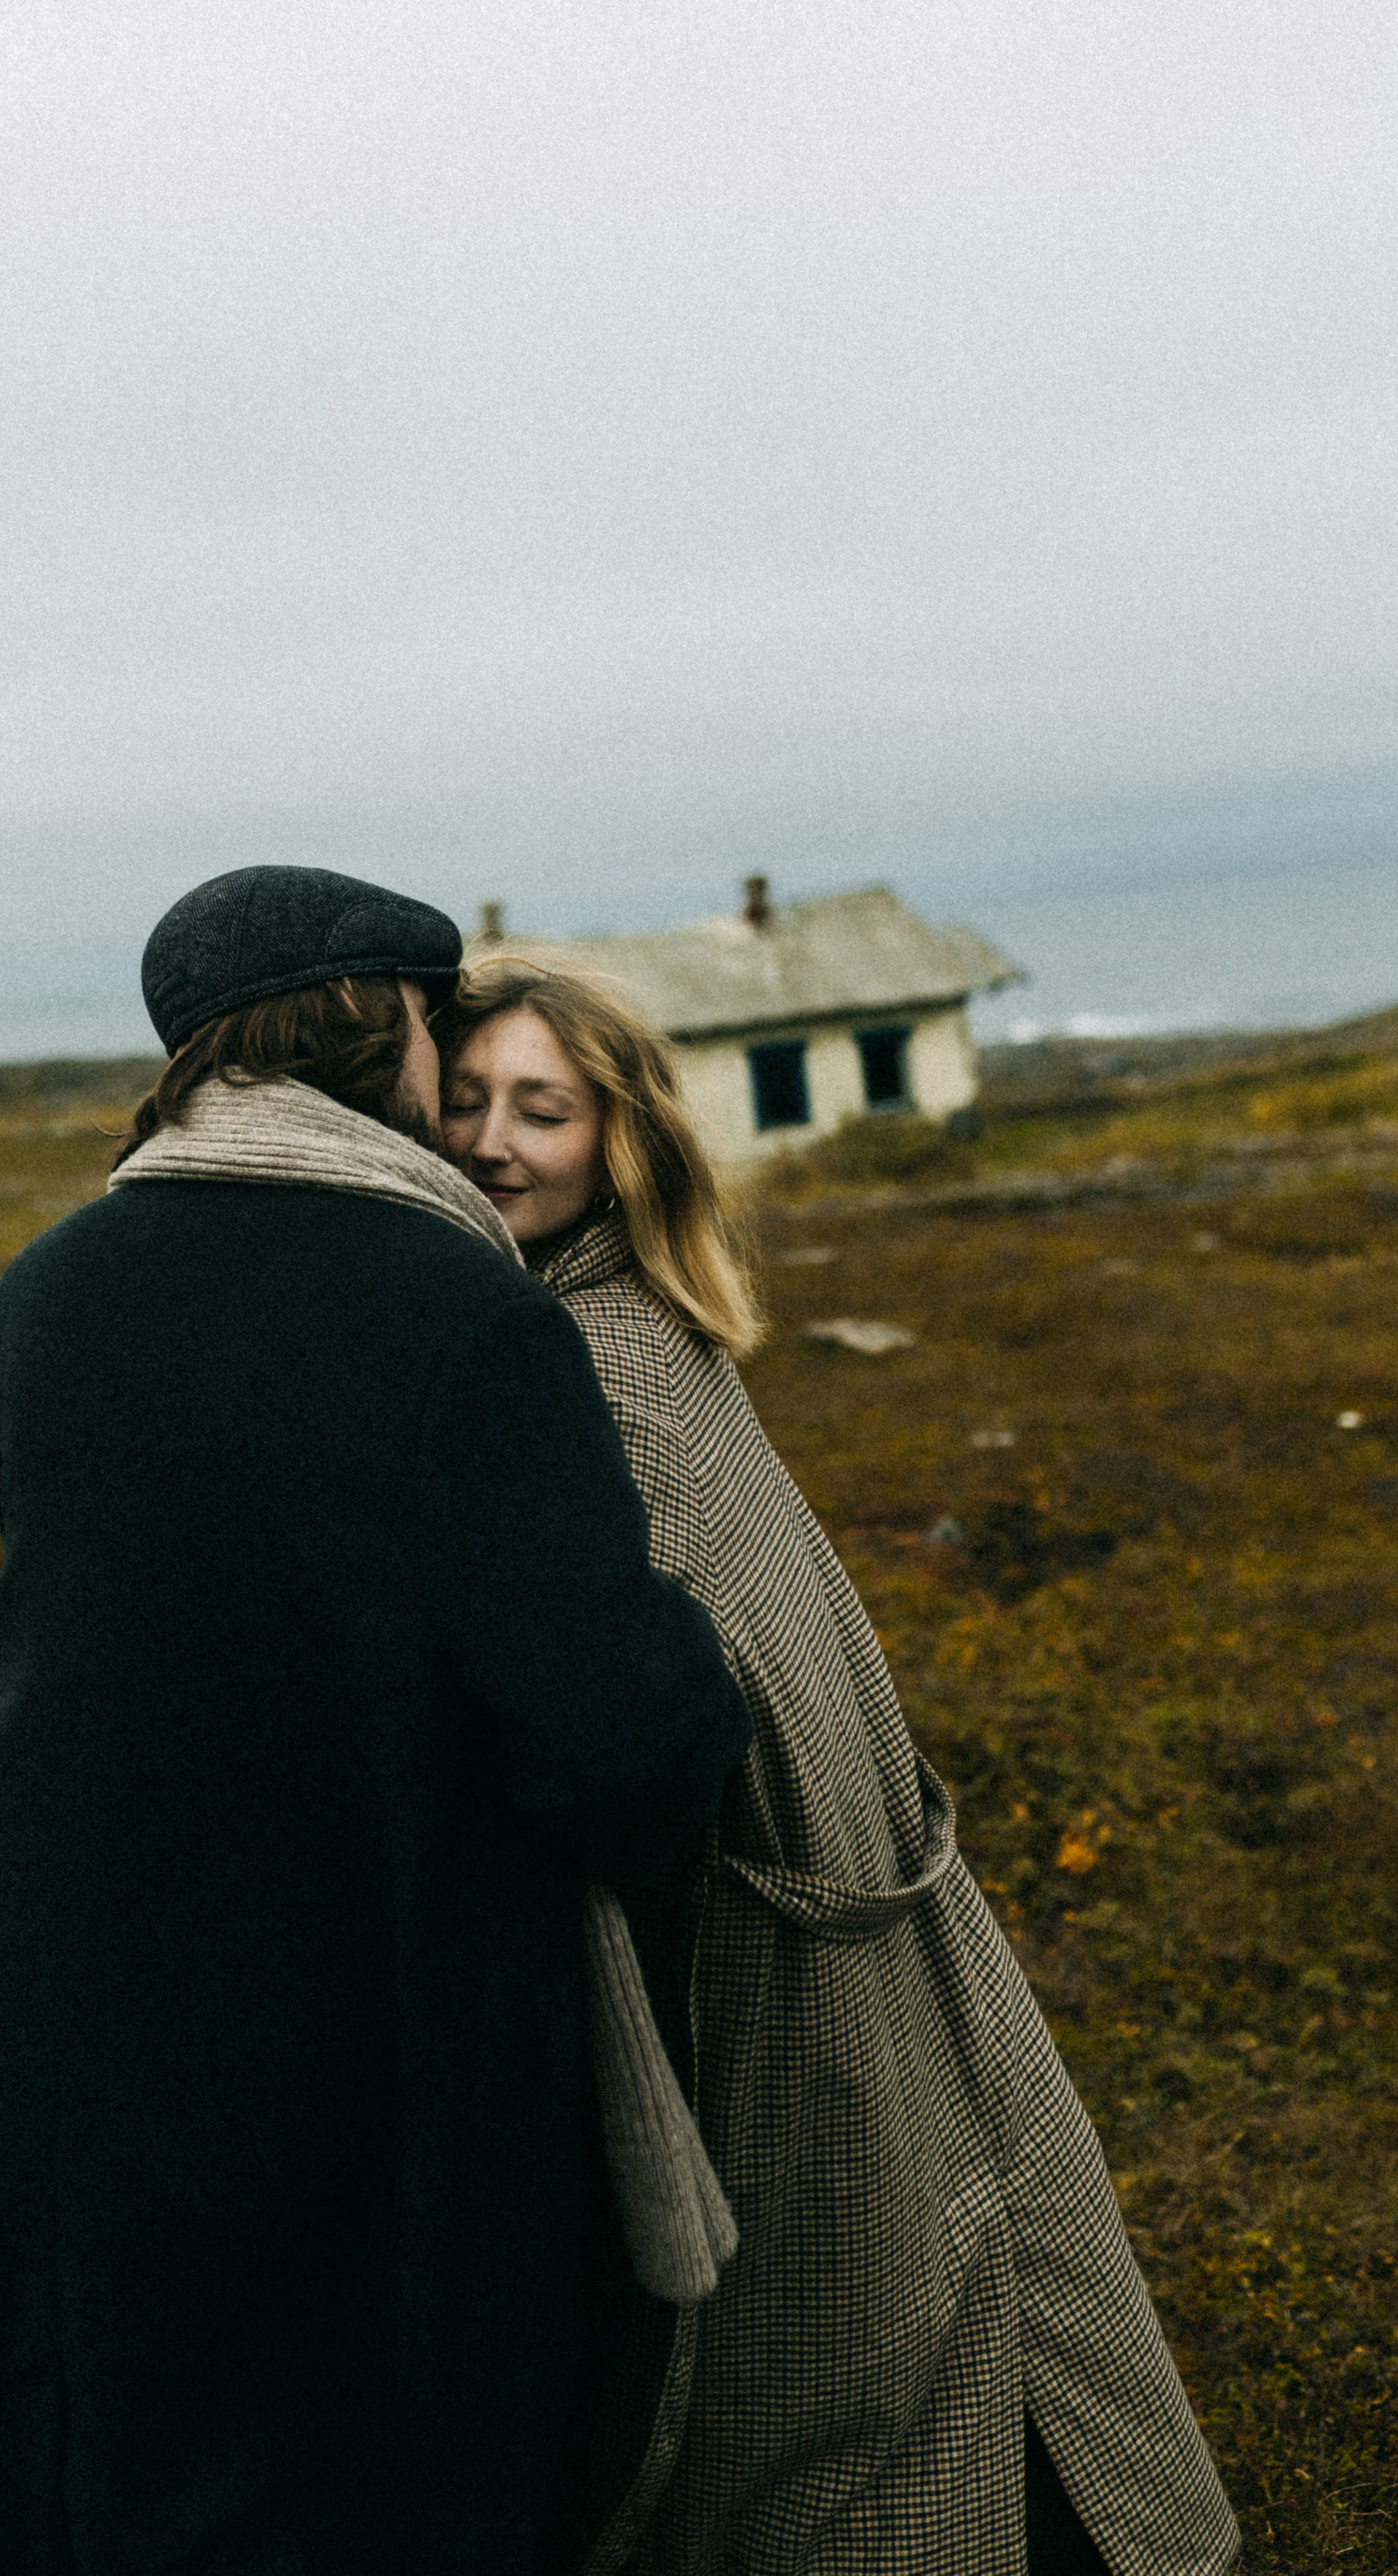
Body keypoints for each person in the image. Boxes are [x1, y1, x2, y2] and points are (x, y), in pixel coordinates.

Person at [0, 867, 752, 2576]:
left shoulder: (41, 1295)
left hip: (55, 1978)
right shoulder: (453, 1307)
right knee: (361, 2466)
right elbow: (607, 1723)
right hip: (355, 1991)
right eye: (438, 1031)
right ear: (385, 1030)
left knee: (86, 2439)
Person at [437, 956, 1242, 2576]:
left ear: (621, 1140)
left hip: (769, 1951)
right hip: (847, 1914)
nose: (494, 1144)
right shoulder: (624, 1323)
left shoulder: (589, 1362)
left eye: (543, 1109)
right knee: (943, 2286)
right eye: (462, 1103)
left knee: (839, 2355)